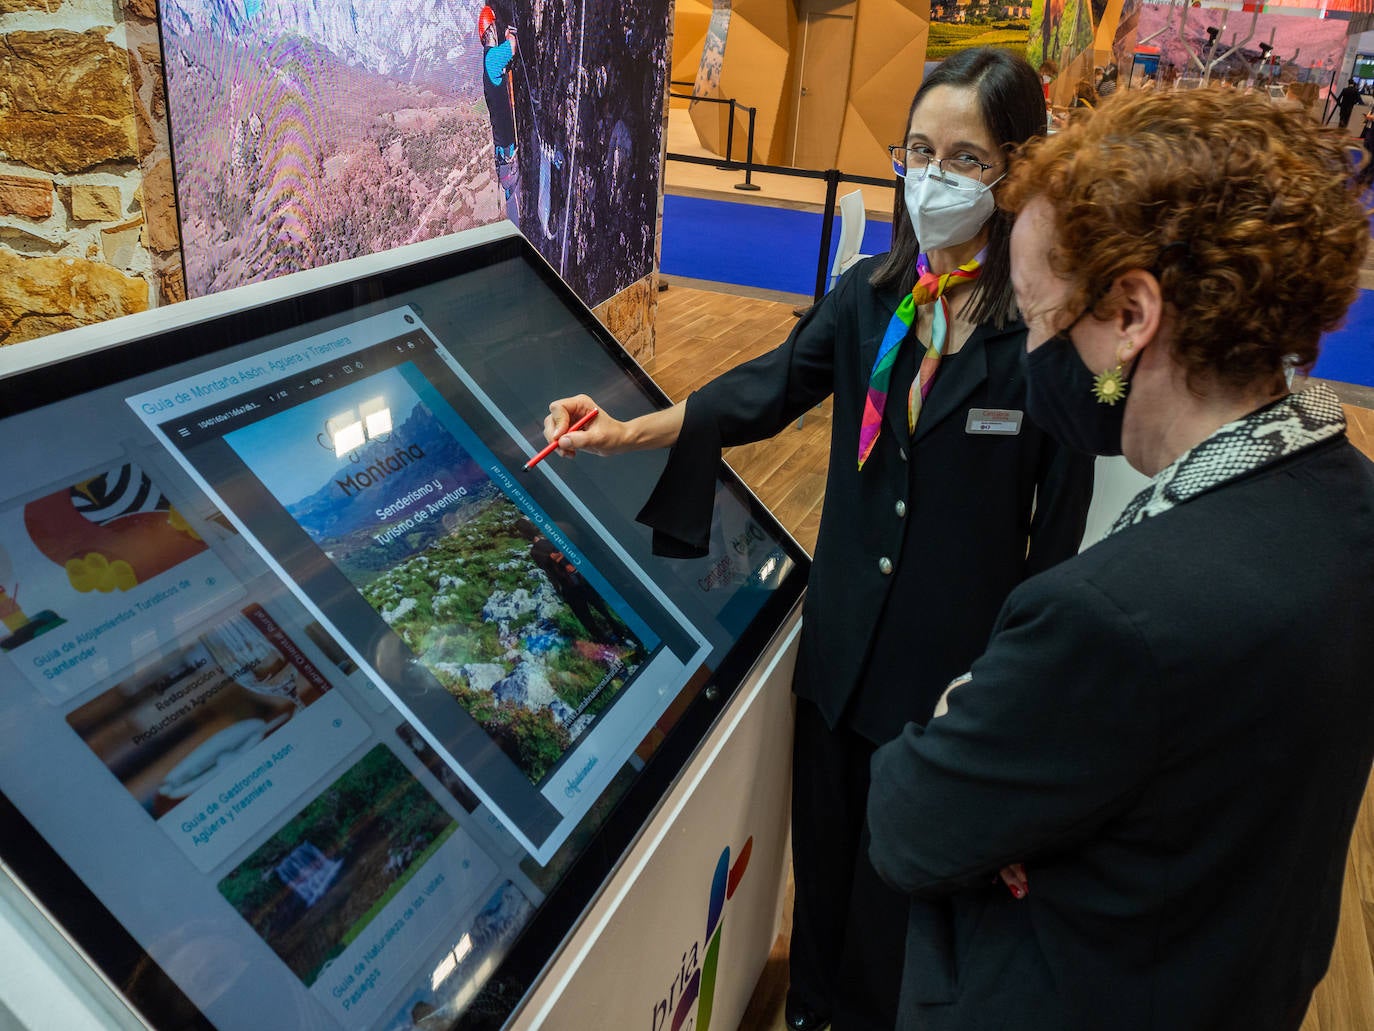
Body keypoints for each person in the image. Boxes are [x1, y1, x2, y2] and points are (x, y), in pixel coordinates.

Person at [542, 47, 1094, 1031]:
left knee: (900, 912)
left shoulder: (1045, 340)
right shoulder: (871, 298)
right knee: (824, 884)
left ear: (1016, 169)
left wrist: (1018, 715)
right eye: (919, 149)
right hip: (838, 660)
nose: (934, 176)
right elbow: (763, 389)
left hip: (945, 689)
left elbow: (1056, 550)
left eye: (964, 158)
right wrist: (628, 427)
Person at [867, 86, 1374, 1030]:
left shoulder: (1111, 615)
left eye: (1038, 315)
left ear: (1134, 312)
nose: (1033, 354)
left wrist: (963, 713)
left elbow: (908, 821)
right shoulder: (1350, 503)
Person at [478, 5, 521, 220]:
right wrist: (509, 34)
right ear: (491, 31)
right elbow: (512, 46)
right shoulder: (492, 58)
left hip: (502, 149)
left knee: (512, 198)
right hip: (506, 148)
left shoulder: (488, 61)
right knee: (516, 201)